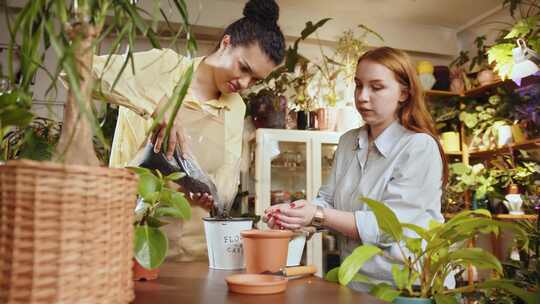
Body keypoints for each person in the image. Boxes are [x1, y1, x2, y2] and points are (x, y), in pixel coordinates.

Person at [93, 0, 285, 261]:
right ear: (226, 43)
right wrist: (157, 107)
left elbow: (226, 178)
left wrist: (212, 194)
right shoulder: (165, 68)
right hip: (133, 239)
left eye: (255, 80)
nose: (244, 83)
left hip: (197, 252)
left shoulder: (236, 107)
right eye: (243, 68)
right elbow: (83, 72)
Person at [263, 47, 451, 291]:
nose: (362, 96)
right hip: (357, 284)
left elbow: (388, 228)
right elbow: (328, 200)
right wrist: (296, 215)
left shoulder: (418, 147)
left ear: (404, 93)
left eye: (376, 87)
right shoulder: (348, 141)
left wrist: (317, 214)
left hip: (409, 287)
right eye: (358, 85)